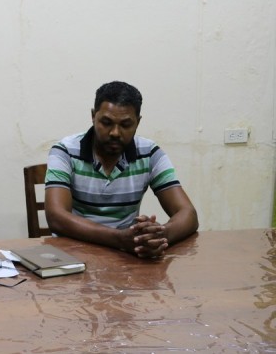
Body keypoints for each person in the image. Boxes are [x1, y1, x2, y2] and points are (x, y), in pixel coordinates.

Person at [44, 81, 198, 258]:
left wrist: (158, 236)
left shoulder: (149, 153)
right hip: (75, 253)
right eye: (106, 122)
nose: (115, 132)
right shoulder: (65, 151)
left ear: (138, 122)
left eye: (125, 125)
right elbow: (56, 217)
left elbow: (188, 214)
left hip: (127, 257)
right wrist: (119, 239)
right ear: (93, 116)